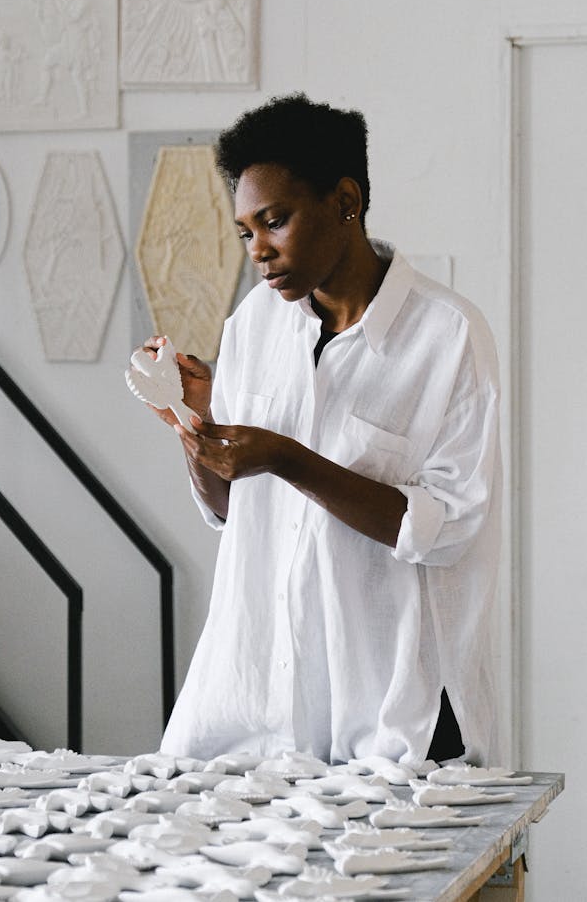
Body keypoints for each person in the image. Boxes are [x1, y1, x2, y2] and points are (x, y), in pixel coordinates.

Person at [142, 92, 501, 768]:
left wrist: (283, 456)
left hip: (396, 720)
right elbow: (230, 507)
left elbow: (445, 528)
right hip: (259, 711)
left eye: (275, 221)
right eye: (247, 232)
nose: (259, 251)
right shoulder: (253, 325)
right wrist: (198, 427)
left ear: (345, 201)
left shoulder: (449, 337)